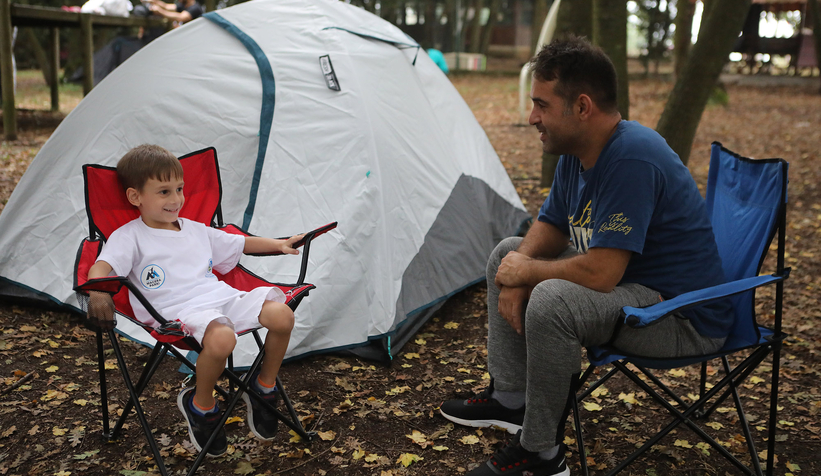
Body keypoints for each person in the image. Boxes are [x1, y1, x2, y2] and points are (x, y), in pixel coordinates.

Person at [439, 37, 733, 476]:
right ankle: (511, 398)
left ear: (581, 107)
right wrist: (518, 269)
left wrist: (529, 274)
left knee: (553, 299)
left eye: (541, 104)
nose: (532, 117)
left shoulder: (633, 157)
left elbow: (600, 274)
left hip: (680, 316)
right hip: (635, 293)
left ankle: (540, 453)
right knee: (506, 252)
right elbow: (553, 226)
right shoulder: (578, 153)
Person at [86, 144, 301, 457]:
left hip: (219, 297)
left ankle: (263, 388)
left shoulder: (196, 229)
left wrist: (279, 245)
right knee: (224, 338)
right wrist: (98, 289)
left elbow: (240, 243)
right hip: (176, 312)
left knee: (283, 316)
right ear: (136, 197)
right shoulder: (129, 236)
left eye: (179, 189)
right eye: (163, 192)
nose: (175, 200)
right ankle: (201, 406)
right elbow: (102, 266)